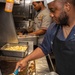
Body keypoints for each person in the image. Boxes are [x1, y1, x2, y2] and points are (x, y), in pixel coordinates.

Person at [15, 0, 75, 75]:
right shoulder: (53, 28)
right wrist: (25, 60)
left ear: (67, 7)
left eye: (53, 10)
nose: (51, 15)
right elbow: (44, 47)